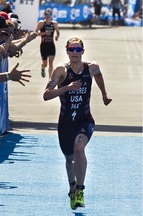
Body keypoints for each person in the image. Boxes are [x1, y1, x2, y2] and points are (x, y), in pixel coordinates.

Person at [43, 37, 112, 210]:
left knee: (79, 147)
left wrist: (104, 94)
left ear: (83, 51)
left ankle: (80, 191)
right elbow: (46, 95)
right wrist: (67, 88)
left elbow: (99, 76)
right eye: (71, 49)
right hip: (66, 123)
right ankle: (72, 187)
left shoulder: (92, 67)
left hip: (85, 119)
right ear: (66, 51)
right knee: (69, 160)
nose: (75, 53)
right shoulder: (61, 71)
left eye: (77, 49)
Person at [35, 8, 59, 78]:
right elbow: (35, 33)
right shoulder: (41, 23)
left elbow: (57, 31)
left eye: (49, 14)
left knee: (51, 63)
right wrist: (45, 33)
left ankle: (50, 79)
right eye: (46, 14)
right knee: (45, 64)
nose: (47, 16)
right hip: (43, 46)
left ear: (51, 15)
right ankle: (42, 67)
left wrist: (57, 36)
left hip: (51, 45)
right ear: (44, 15)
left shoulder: (54, 24)